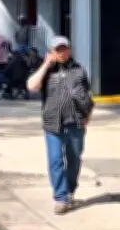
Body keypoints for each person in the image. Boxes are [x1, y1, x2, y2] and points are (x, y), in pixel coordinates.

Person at [26, 36, 94, 215]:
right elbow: (31, 86)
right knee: (55, 160)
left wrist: (88, 115)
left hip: (75, 123)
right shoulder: (47, 72)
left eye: (64, 49)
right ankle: (61, 197)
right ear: (51, 52)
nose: (62, 53)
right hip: (52, 124)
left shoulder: (79, 70)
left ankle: (70, 190)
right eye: (58, 50)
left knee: (74, 160)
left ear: (69, 50)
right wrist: (46, 65)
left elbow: (88, 96)